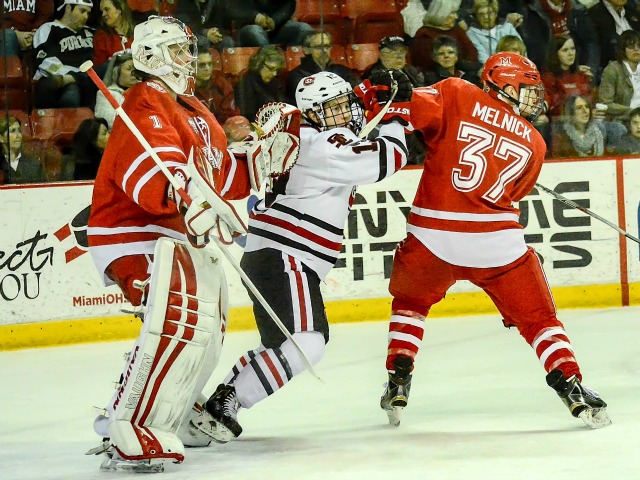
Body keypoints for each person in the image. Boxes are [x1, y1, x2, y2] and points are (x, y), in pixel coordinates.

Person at [379, 51, 611, 431]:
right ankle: (569, 382)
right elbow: (514, 193)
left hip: (431, 235)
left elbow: (410, 111)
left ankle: (398, 374)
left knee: (411, 302)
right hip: (495, 242)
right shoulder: (535, 142)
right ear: (504, 85)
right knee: (539, 320)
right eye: (528, 88)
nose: (535, 97)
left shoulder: (456, 92)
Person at [202, 71, 410, 442]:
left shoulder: (310, 138)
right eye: (332, 108)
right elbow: (389, 157)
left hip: (272, 257)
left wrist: (366, 97)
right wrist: (397, 116)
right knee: (306, 342)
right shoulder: (323, 142)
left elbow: (356, 140)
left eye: (344, 104)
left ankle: (222, 400)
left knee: (279, 346)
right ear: (312, 114)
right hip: (286, 256)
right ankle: (227, 402)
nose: (344, 113)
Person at [86, 16, 253, 473]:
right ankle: (129, 423)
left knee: (210, 323)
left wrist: (258, 162)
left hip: (175, 233)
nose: (187, 57)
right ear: (151, 56)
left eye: (187, 48)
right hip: (133, 232)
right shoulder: (145, 101)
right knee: (178, 314)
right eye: (177, 49)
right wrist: (183, 197)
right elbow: (151, 174)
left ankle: (176, 409)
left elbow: (218, 176)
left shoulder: (193, 107)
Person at [32, 0, 97, 108]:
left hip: (91, 81)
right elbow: (44, 61)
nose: (86, 17)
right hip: (60, 83)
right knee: (72, 92)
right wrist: (71, 76)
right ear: (68, 8)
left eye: (88, 13)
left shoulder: (91, 32)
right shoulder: (49, 28)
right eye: (82, 11)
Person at [285, 30, 360, 104]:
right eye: (319, 47)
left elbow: (359, 91)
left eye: (327, 46)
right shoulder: (297, 75)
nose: (324, 50)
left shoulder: (342, 71)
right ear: (306, 50)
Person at [411, 0, 480, 74]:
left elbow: (472, 52)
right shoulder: (424, 34)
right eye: (452, 13)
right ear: (442, 14)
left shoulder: (457, 31)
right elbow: (429, 63)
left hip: (464, 73)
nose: (456, 17)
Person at [542, 34, 594, 118]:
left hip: (585, 119)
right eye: (565, 50)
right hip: (562, 121)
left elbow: (590, 101)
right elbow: (553, 107)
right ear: (556, 54)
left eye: (572, 49)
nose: (570, 53)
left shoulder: (582, 75)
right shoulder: (549, 79)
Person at [230, 0, 313, 47]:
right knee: (254, 31)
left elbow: (290, 4)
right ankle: (269, 61)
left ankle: (297, 66)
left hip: (277, 28)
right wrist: (255, 16)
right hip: (248, 27)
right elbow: (231, 9)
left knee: (304, 28)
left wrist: (274, 20)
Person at [234, 44, 286, 121]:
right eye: (271, 69)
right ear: (259, 64)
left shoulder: (274, 83)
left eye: (277, 70)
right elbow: (248, 116)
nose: (274, 74)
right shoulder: (245, 84)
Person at [466, 0, 523, 64]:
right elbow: (482, 56)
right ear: (476, 16)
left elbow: (521, 49)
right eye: (481, 14)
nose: (486, 17)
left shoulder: (508, 27)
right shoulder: (472, 33)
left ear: (496, 14)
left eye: (489, 13)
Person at [194, 47, 241, 123]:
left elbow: (230, 115)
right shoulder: (184, 88)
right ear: (191, 66)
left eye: (210, 64)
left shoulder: (221, 83)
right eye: (202, 65)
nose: (207, 68)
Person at [94, 49, 139, 128]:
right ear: (116, 73)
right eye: (129, 69)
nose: (134, 73)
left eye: (136, 69)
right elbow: (109, 122)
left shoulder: (146, 91)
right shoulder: (106, 95)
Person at [0, 115, 47, 184]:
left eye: (19, 131)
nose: (18, 135)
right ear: (1, 138)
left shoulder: (34, 165)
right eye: (13, 131)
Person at [92, 0, 134, 68]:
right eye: (102, 12)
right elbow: (99, 67)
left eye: (107, 9)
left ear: (119, 9)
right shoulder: (101, 37)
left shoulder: (137, 34)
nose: (103, 14)